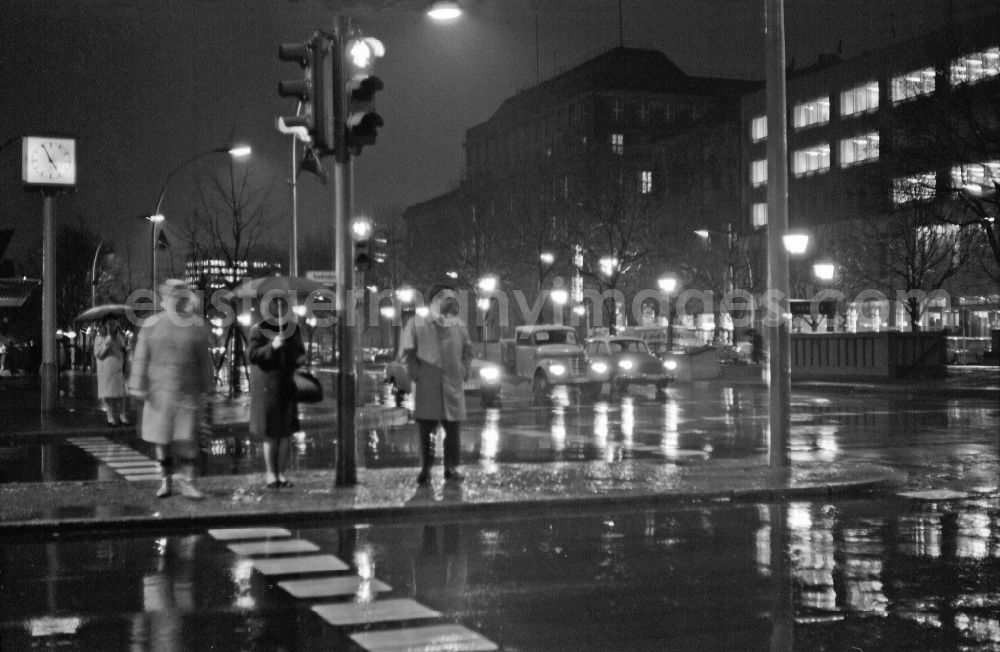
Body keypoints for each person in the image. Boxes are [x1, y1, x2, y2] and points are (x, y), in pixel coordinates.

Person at [129, 280, 214, 499]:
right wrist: (137, 386)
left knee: (184, 441)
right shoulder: (156, 324)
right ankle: (169, 481)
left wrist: (206, 387)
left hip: (181, 393)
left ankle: (184, 482)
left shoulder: (194, 326)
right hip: (163, 393)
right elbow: (141, 358)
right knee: (166, 442)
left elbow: (204, 362)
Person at [399, 285, 473, 484]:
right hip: (428, 384)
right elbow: (407, 353)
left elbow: (468, 351)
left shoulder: (458, 325)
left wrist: (464, 371)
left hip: (452, 384)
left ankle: (452, 467)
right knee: (426, 431)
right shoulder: (416, 324)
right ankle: (425, 469)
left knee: (453, 431)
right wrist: (417, 374)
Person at [247, 293, 305, 489]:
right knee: (271, 433)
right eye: (276, 305)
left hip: (287, 386)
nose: (280, 309)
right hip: (268, 388)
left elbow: (300, 351)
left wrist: (300, 359)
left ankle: (281, 474)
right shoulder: (258, 330)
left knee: (286, 433)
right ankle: (271, 474)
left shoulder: (293, 330)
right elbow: (253, 355)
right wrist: (272, 347)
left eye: (283, 305)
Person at [93, 316, 131, 427]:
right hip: (107, 371)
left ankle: (122, 416)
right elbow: (98, 354)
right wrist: (107, 342)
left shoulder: (119, 337)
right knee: (109, 395)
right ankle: (110, 418)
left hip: (118, 369)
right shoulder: (99, 338)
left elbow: (122, 350)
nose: (113, 327)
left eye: (115, 324)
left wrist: (125, 352)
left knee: (121, 395)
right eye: (110, 324)